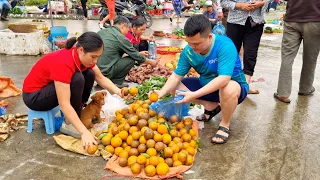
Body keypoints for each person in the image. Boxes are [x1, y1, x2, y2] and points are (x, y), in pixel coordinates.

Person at [22, 32, 124, 149]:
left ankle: (79, 110)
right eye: (93, 56)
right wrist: (83, 132)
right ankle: (69, 123)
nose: (95, 61)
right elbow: (64, 103)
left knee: (90, 73)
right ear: (81, 50)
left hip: (46, 89)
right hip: (34, 97)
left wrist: (119, 92)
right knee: (77, 78)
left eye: (98, 57)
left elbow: (100, 78)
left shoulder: (80, 56)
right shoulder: (63, 63)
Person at [157, 15, 248, 144]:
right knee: (175, 86)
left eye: (197, 43)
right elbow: (176, 76)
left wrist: (194, 95)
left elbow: (224, 79)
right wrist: (160, 93)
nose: (193, 47)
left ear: (209, 37)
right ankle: (210, 106)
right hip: (207, 87)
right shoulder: (188, 52)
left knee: (228, 88)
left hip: (234, 88)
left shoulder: (224, 45)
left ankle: (225, 124)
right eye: (189, 43)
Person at [274, 0, 320, 103]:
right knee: (310, 58)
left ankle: (282, 93)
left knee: (287, 57)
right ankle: (305, 89)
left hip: (292, 18)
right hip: (315, 19)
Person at [221, 0, 268, 94]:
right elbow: (223, 2)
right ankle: (229, 84)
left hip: (256, 22)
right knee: (232, 53)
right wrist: (239, 5)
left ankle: (245, 86)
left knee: (251, 53)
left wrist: (262, 3)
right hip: (235, 22)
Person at [97, 16, 159, 88]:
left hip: (95, 71)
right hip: (105, 72)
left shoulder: (103, 31)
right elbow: (135, 55)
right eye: (127, 28)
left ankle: (103, 81)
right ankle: (116, 82)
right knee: (131, 59)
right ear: (123, 26)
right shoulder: (120, 37)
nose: (127, 31)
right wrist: (150, 62)